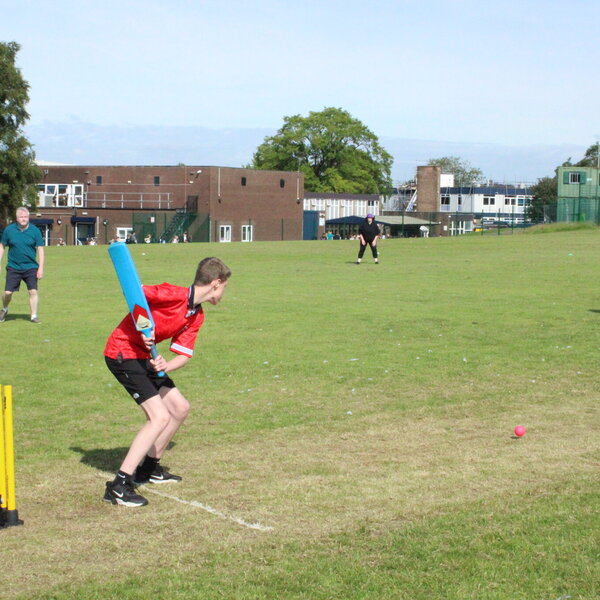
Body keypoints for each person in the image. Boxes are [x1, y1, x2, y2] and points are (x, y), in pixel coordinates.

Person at [103, 257, 232, 507]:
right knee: (159, 417)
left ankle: (148, 470)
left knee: (180, 408)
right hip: (122, 352)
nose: (224, 292)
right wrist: (143, 325)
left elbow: (183, 355)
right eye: (225, 286)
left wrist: (165, 365)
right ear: (216, 283)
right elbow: (134, 291)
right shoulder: (173, 294)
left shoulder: (195, 315)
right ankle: (118, 486)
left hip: (144, 358)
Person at [0, 206, 45, 323]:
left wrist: (40, 268)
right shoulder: (9, 230)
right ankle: (4, 309)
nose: (24, 219)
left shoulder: (35, 231)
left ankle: (34, 316)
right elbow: (2, 246)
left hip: (30, 267)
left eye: (26, 217)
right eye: (21, 217)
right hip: (13, 267)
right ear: (17, 218)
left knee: (33, 291)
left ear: (29, 217)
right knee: (7, 293)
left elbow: (40, 249)